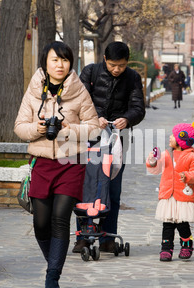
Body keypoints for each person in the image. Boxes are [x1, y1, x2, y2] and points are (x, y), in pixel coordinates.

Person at [14, 41, 100, 288]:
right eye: (55, 60)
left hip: (70, 162)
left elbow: (94, 127)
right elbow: (19, 126)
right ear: (45, 62)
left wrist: (67, 131)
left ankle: (53, 275)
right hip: (41, 162)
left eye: (64, 60)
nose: (60, 65)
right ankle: (54, 260)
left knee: (60, 218)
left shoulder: (79, 90)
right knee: (41, 223)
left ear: (70, 63)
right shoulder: (33, 90)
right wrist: (37, 130)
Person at [75, 41, 146, 253]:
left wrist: (127, 119)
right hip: (90, 137)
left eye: (122, 65)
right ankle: (83, 236)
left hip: (117, 140)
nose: (117, 69)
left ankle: (108, 237)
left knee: (113, 190)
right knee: (86, 187)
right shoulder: (90, 72)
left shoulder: (132, 77)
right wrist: (95, 118)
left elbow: (138, 108)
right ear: (105, 59)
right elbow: (78, 102)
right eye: (113, 65)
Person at [146, 120, 194, 261]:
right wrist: (152, 161)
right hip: (168, 195)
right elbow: (156, 169)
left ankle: (187, 245)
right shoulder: (167, 155)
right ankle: (166, 249)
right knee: (167, 224)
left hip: (183, 196)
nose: (170, 138)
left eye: (173, 136)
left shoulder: (192, 157)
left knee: (182, 223)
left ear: (181, 139)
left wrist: (188, 176)